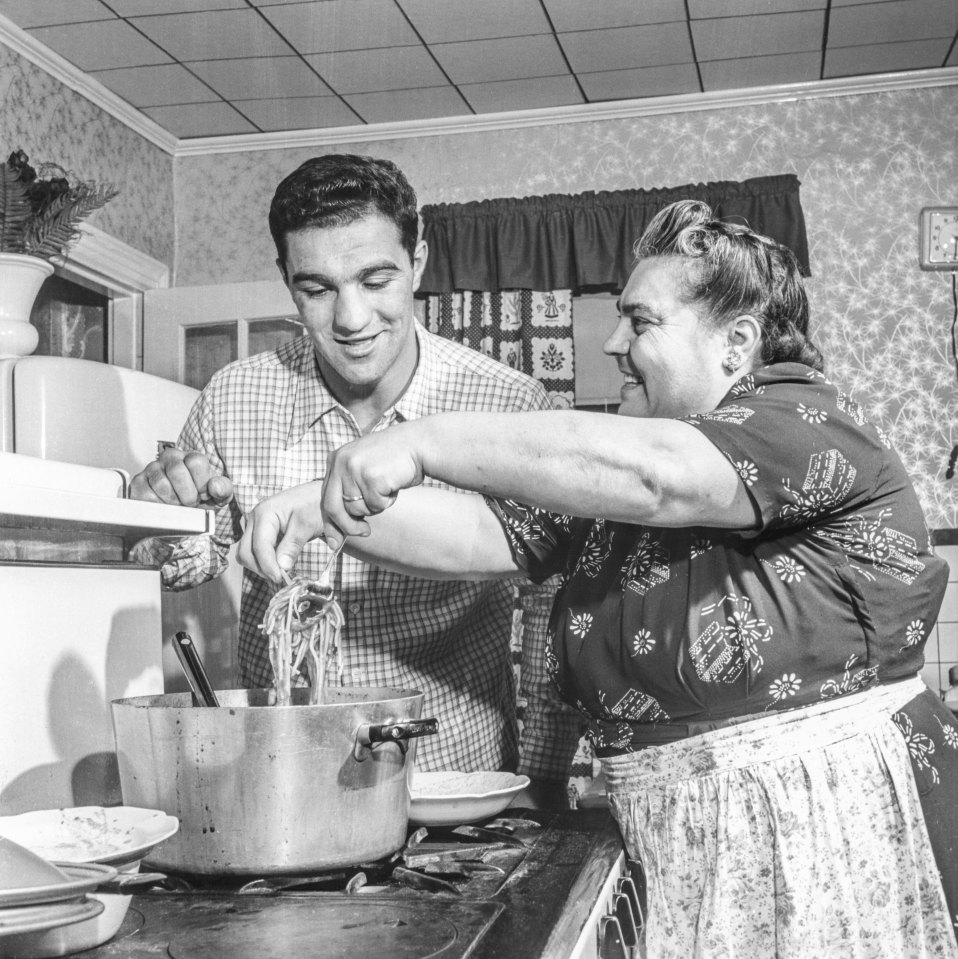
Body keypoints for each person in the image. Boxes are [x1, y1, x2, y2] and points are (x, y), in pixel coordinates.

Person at [238, 199, 958, 958]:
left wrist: (420, 442)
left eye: (640, 322)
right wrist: (322, 506)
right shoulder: (624, 471)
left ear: (737, 342)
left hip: (819, 829)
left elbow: (662, 477)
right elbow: (486, 533)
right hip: (674, 836)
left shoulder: (800, 422)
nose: (613, 342)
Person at [129, 153, 585, 801]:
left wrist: (540, 775)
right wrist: (157, 519)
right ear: (287, 281)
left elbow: (553, 608)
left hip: (452, 770)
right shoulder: (234, 396)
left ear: (418, 261)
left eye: (375, 280)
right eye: (317, 288)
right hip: (284, 768)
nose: (350, 318)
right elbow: (188, 559)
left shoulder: (506, 402)